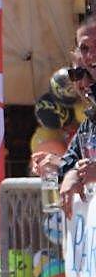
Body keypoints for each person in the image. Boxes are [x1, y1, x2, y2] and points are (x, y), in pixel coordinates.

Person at [59, 16, 96, 215]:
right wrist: (71, 172)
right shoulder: (91, 117)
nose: (91, 55)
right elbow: (71, 158)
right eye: (84, 48)